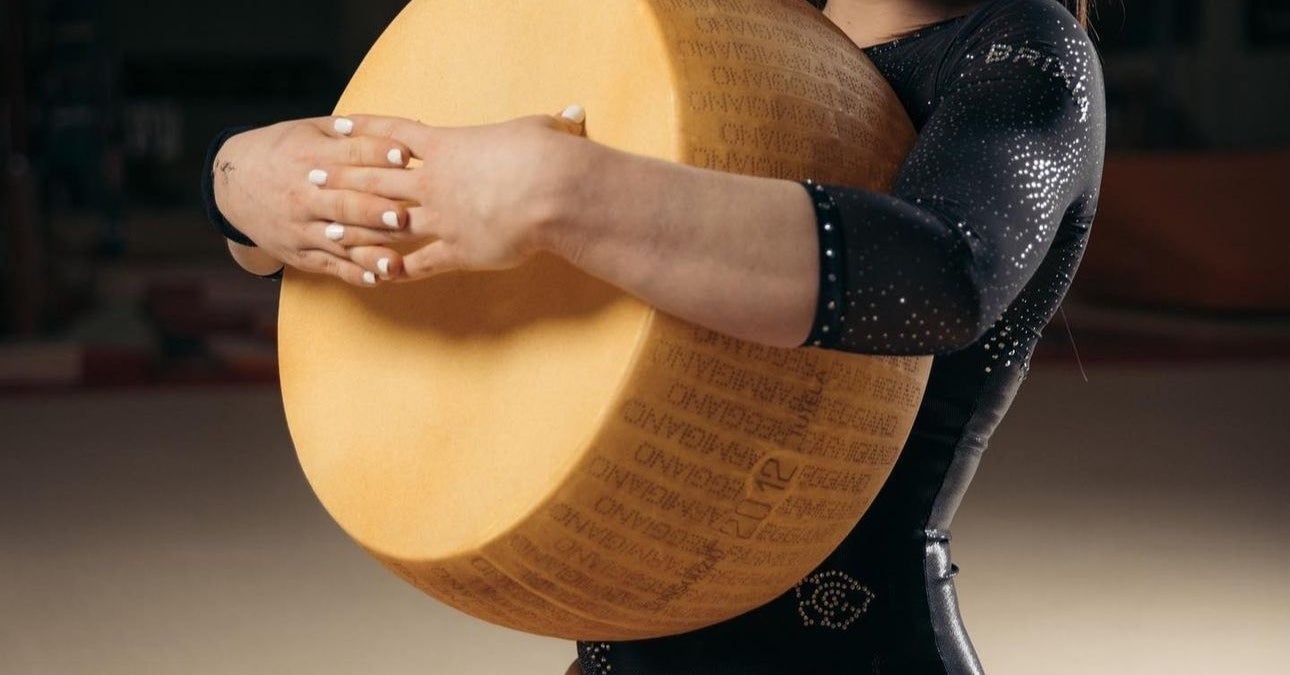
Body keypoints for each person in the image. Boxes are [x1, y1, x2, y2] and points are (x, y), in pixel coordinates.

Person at [203, 0, 1104, 672]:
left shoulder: (1028, 50)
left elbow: (941, 275)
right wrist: (248, 183)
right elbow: (442, 205)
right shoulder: (729, 20)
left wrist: (558, 192)